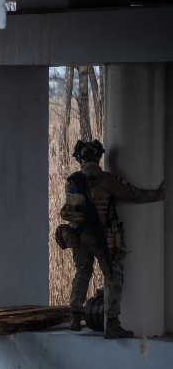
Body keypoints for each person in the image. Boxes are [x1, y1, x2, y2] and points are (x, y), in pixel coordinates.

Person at [63, 140, 165, 339]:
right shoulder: (107, 179)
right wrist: (159, 194)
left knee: (82, 272)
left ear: (79, 159)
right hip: (103, 237)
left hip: (79, 236)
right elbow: (133, 194)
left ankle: (74, 318)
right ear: (98, 157)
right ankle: (111, 323)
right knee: (112, 276)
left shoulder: (72, 181)